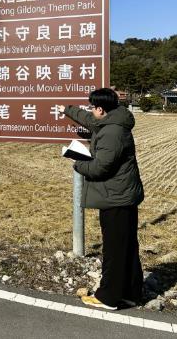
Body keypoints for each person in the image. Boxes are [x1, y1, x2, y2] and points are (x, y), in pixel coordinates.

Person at [56, 88, 144, 310]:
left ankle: (108, 297)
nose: (90, 111)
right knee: (126, 246)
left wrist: (77, 162)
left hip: (115, 197)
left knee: (114, 250)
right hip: (121, 195)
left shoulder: (112, 132)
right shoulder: (112, 120)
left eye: (92, 107)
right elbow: (89, 120)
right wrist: (67, 110)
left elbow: (100, 167)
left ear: (101, 109)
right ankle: (131, 293)